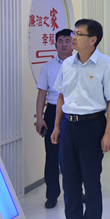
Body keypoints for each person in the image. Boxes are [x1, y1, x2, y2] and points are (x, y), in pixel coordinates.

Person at [50, 19, 110, 219]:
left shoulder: (106, 64)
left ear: (92, 39)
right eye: (74, 33)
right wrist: (57, 126)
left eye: (78, 34)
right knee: (69, 180)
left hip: (92, 126)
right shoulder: (67, 64)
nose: (73, 37)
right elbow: (61, 96)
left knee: (91, 180)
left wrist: (108, 133)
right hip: (68, 125)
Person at [35, 28, 73, 209]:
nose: (64, 44)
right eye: (61, 41)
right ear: (55, 44)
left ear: (73, 43)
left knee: (74, 156)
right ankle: (52, 195)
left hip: (73, 112)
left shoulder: (80, 64)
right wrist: (40, 118)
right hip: (52, 112)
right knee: (52, 156)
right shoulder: (48, 66)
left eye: (68, 41)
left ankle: (75, 192)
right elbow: (42, 93)